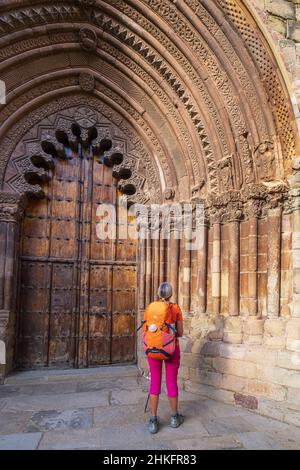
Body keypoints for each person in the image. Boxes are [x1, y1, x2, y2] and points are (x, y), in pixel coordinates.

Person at [143, 282, 184, 434]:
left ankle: (153, 420)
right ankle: (174, 418)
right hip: (171, 349)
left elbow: (147, 329)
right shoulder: (175, 308)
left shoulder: (150, 308)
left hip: (153, 349)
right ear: (171, 294)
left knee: (155, 381)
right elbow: (180, 332)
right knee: (171, 382)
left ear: (158, 294)